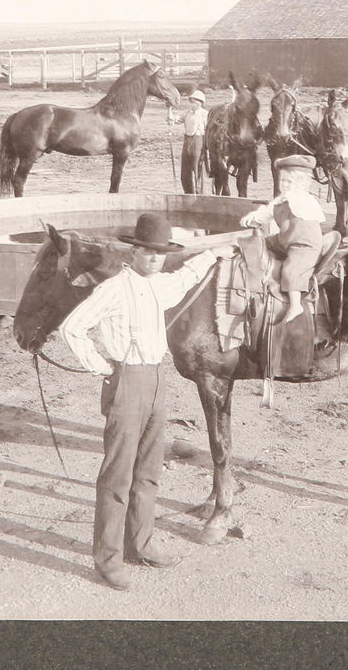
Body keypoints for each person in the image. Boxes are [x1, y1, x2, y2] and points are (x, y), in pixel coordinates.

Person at [57, 211, 221, 591]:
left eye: (160, 252)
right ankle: (108, 559)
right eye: (147, 251)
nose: (153, 258)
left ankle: (140, 544)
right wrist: (101, 366)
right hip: (127, 379)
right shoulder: (114, 288)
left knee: (148, 470)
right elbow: (73, 328)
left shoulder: (161, 284)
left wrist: (216, 252)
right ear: (134, 252)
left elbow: (187, 276)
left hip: (157, 378)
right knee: (118, 474)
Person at [240, 154, 340, 325]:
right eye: (282, 181)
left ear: (302, 184)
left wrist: (295, 193)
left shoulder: (303, 199)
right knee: (262, 244)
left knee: (291, 270)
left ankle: (295, 305)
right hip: (286, 240)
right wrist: (253, 217)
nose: (284, 185)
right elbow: (267, 212)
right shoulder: (281, 200)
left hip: (304, 245)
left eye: (289, 182)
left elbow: (296, 207)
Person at [171, 88, 208, 194]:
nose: (193, 103)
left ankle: (199, 194)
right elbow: (174, 120)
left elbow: (209, 130)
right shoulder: (187, 113)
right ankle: (188, 192)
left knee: (197, 168)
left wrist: (206, 149)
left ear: (201, 103)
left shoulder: (205, 114)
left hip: (199, 141)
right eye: (192, 101)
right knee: (185, 168)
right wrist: (169, 110)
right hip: (187, 141)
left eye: (196, 101)